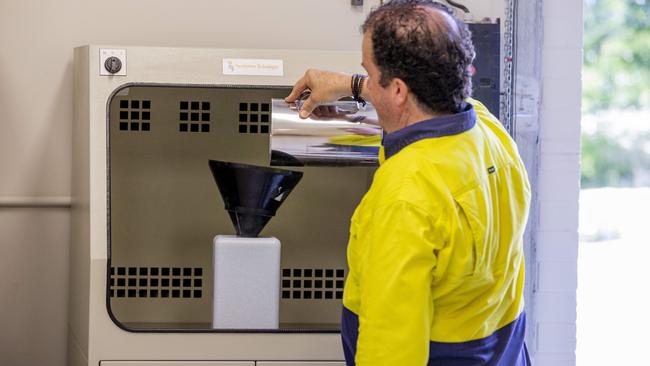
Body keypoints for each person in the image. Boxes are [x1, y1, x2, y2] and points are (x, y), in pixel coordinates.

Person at [285, 1, 532, 365]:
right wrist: (352, 85)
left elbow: (392, 354)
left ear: (399, 90)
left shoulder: (405, 199)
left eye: (368, 70)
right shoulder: (487, 129)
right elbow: (413, 105)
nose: (366, 76)